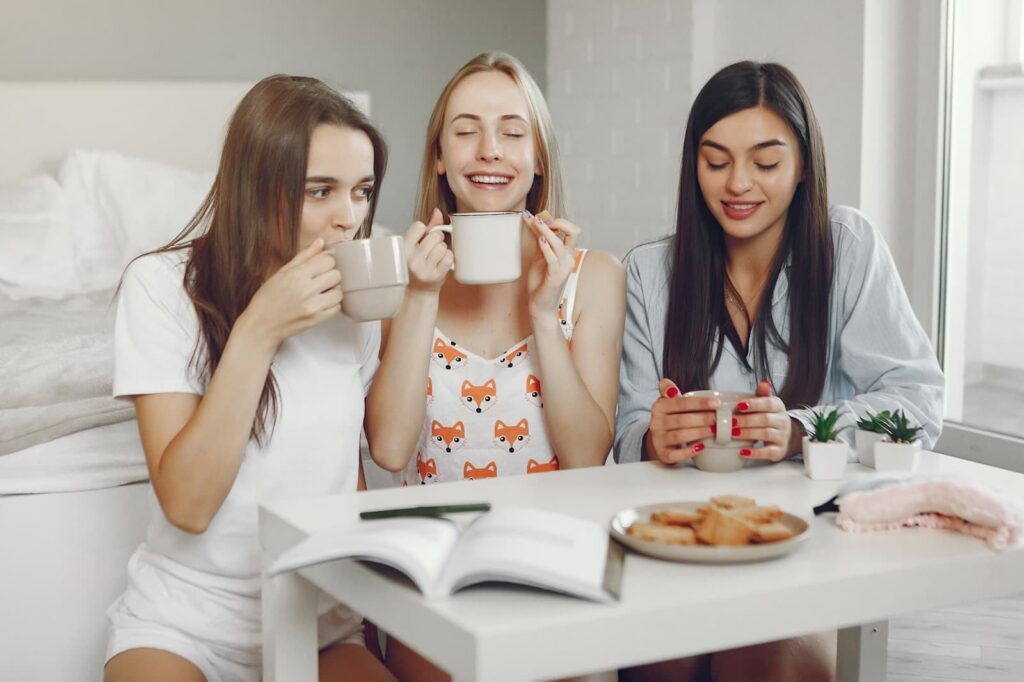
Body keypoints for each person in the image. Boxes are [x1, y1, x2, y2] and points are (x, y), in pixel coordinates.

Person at [614, 61, 944, 681]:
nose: (739, 184)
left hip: (810, 549)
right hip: (677, 547)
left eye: (766, 163)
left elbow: (917, 402)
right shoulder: (649, 273)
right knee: (660, 663)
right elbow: (627, 427)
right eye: (716, 162)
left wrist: (800, 430)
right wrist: (650, 437)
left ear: (803, 166)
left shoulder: (848, 247)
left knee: (764, 663)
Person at [104, 75, 395, 682]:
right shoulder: (162, 287)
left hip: (318, 627)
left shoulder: (358, 301)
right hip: (182, 626)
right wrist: (259, 330)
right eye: (321, 191)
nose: (350, 218)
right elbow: (187, 504)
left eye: (362, 191)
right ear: (257, 188)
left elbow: (350, 469)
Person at [365, 52, 626, 681]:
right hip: (435, 567)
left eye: (512, 132)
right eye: (465, 130)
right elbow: (391, 449)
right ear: (439, 157)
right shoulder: (397, 274)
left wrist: (543, 313)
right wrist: (420, 297)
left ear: (537, 160)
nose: (489, 150)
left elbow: (588, 457)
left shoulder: (593, 279)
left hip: (558, 558)